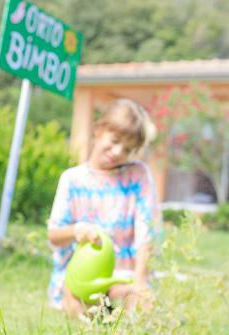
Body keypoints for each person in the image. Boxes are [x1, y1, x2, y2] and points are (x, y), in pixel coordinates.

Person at [47, 98, 161, 317]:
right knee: (79, 303)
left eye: (128, 149)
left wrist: (139, 283)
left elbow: (146, 232)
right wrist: (77, 230)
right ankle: (80, 308)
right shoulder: (73, 179)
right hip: (81, 276)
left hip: (123, 274)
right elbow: (54, 235)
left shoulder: (137, 176)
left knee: (132, 305)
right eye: (115, 140)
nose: (118, 151)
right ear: (99, 130)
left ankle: (112, 310)